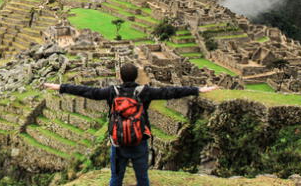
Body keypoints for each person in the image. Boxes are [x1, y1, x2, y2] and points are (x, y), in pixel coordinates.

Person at [43, 63, 218, 186]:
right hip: (139, 140)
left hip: (118, 143)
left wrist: (60, 87)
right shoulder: (145, 92)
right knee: (142, 178)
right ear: (136, 76)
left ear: (120, 76)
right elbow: (169, 92)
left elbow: (88, 91)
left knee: (116, 178)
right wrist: (197, 89)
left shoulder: (112, 92)